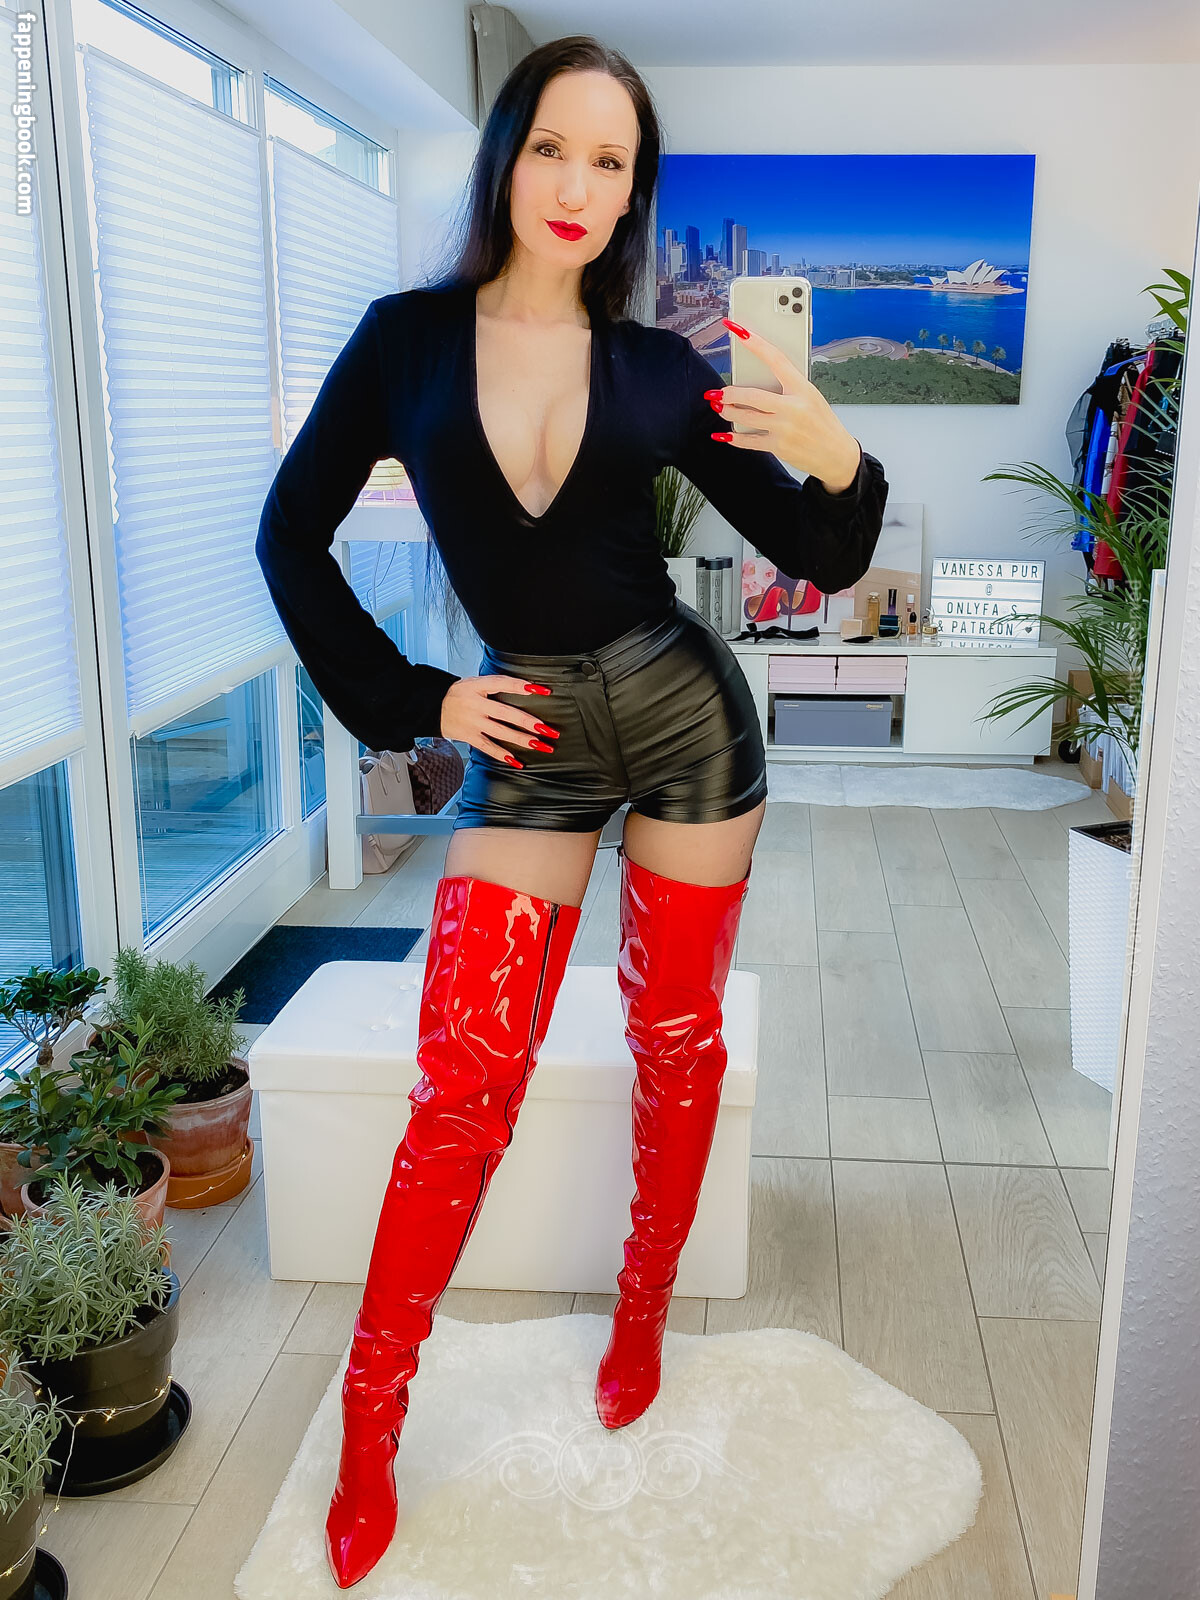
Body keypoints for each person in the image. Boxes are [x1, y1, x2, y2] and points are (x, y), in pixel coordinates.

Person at [256, 33, 888, 1590]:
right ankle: (372, 1418)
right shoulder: (405, 343)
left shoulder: (664, 369)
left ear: (632, 193)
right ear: (508, 155)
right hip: (525, 729)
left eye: (612, 162)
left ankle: (643, 1312)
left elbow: (824, 556)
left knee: (676, 1040)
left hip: (684, 718)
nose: (578, 184)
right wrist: (418, 700)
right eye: (554, 146)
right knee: (465, 1082)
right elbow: (288, 538)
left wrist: (842, 458)